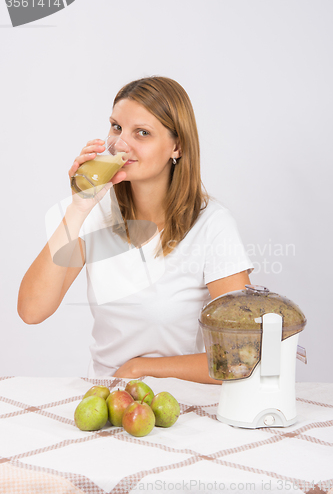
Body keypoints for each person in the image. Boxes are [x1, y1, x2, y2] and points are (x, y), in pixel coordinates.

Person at [17, 76, 253, 384]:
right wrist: (78, 208)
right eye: (116, 127)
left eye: (142, 133)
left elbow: (241, 354)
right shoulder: (95, 212)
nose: (119, 144)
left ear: (177, 147)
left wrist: (144, 368)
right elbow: (32, 311)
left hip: (179, 405)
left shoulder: (212, 226)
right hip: (105, 399)